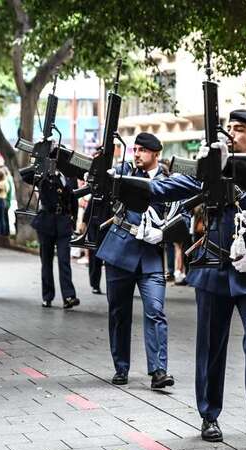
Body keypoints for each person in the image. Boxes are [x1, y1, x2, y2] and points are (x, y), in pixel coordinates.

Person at [116, 111, 246, 448]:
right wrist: (124, 185)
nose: (232, 134)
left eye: (240, 130)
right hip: (214, 271)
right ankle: (209, 414)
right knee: (211, 348)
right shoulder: (211, 172)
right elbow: (165, 188)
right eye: (230, 128)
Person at [95, 132, 174, 389]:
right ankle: (121, 367)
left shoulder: (168, 182)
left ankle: (159, 370)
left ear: (156, 154)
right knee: (119, 313)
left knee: (155, 311)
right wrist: (98, 164)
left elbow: (180, 214)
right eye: (135, 149)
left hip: (150, 256)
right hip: (119, 252)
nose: (137, 154)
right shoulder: (124, 173)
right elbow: (102, 180)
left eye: (142, 150)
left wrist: (163, 233)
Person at [20, 158, 80, 310]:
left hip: (64, 223)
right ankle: (47, 296)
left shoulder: (70, 176)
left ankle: (69, 296)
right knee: (46, 262)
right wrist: (41, 161)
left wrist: (73, 221)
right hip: (46, 222)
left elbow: (74, 200)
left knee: (64, 261)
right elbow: (24, 175)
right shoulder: (44, 174)